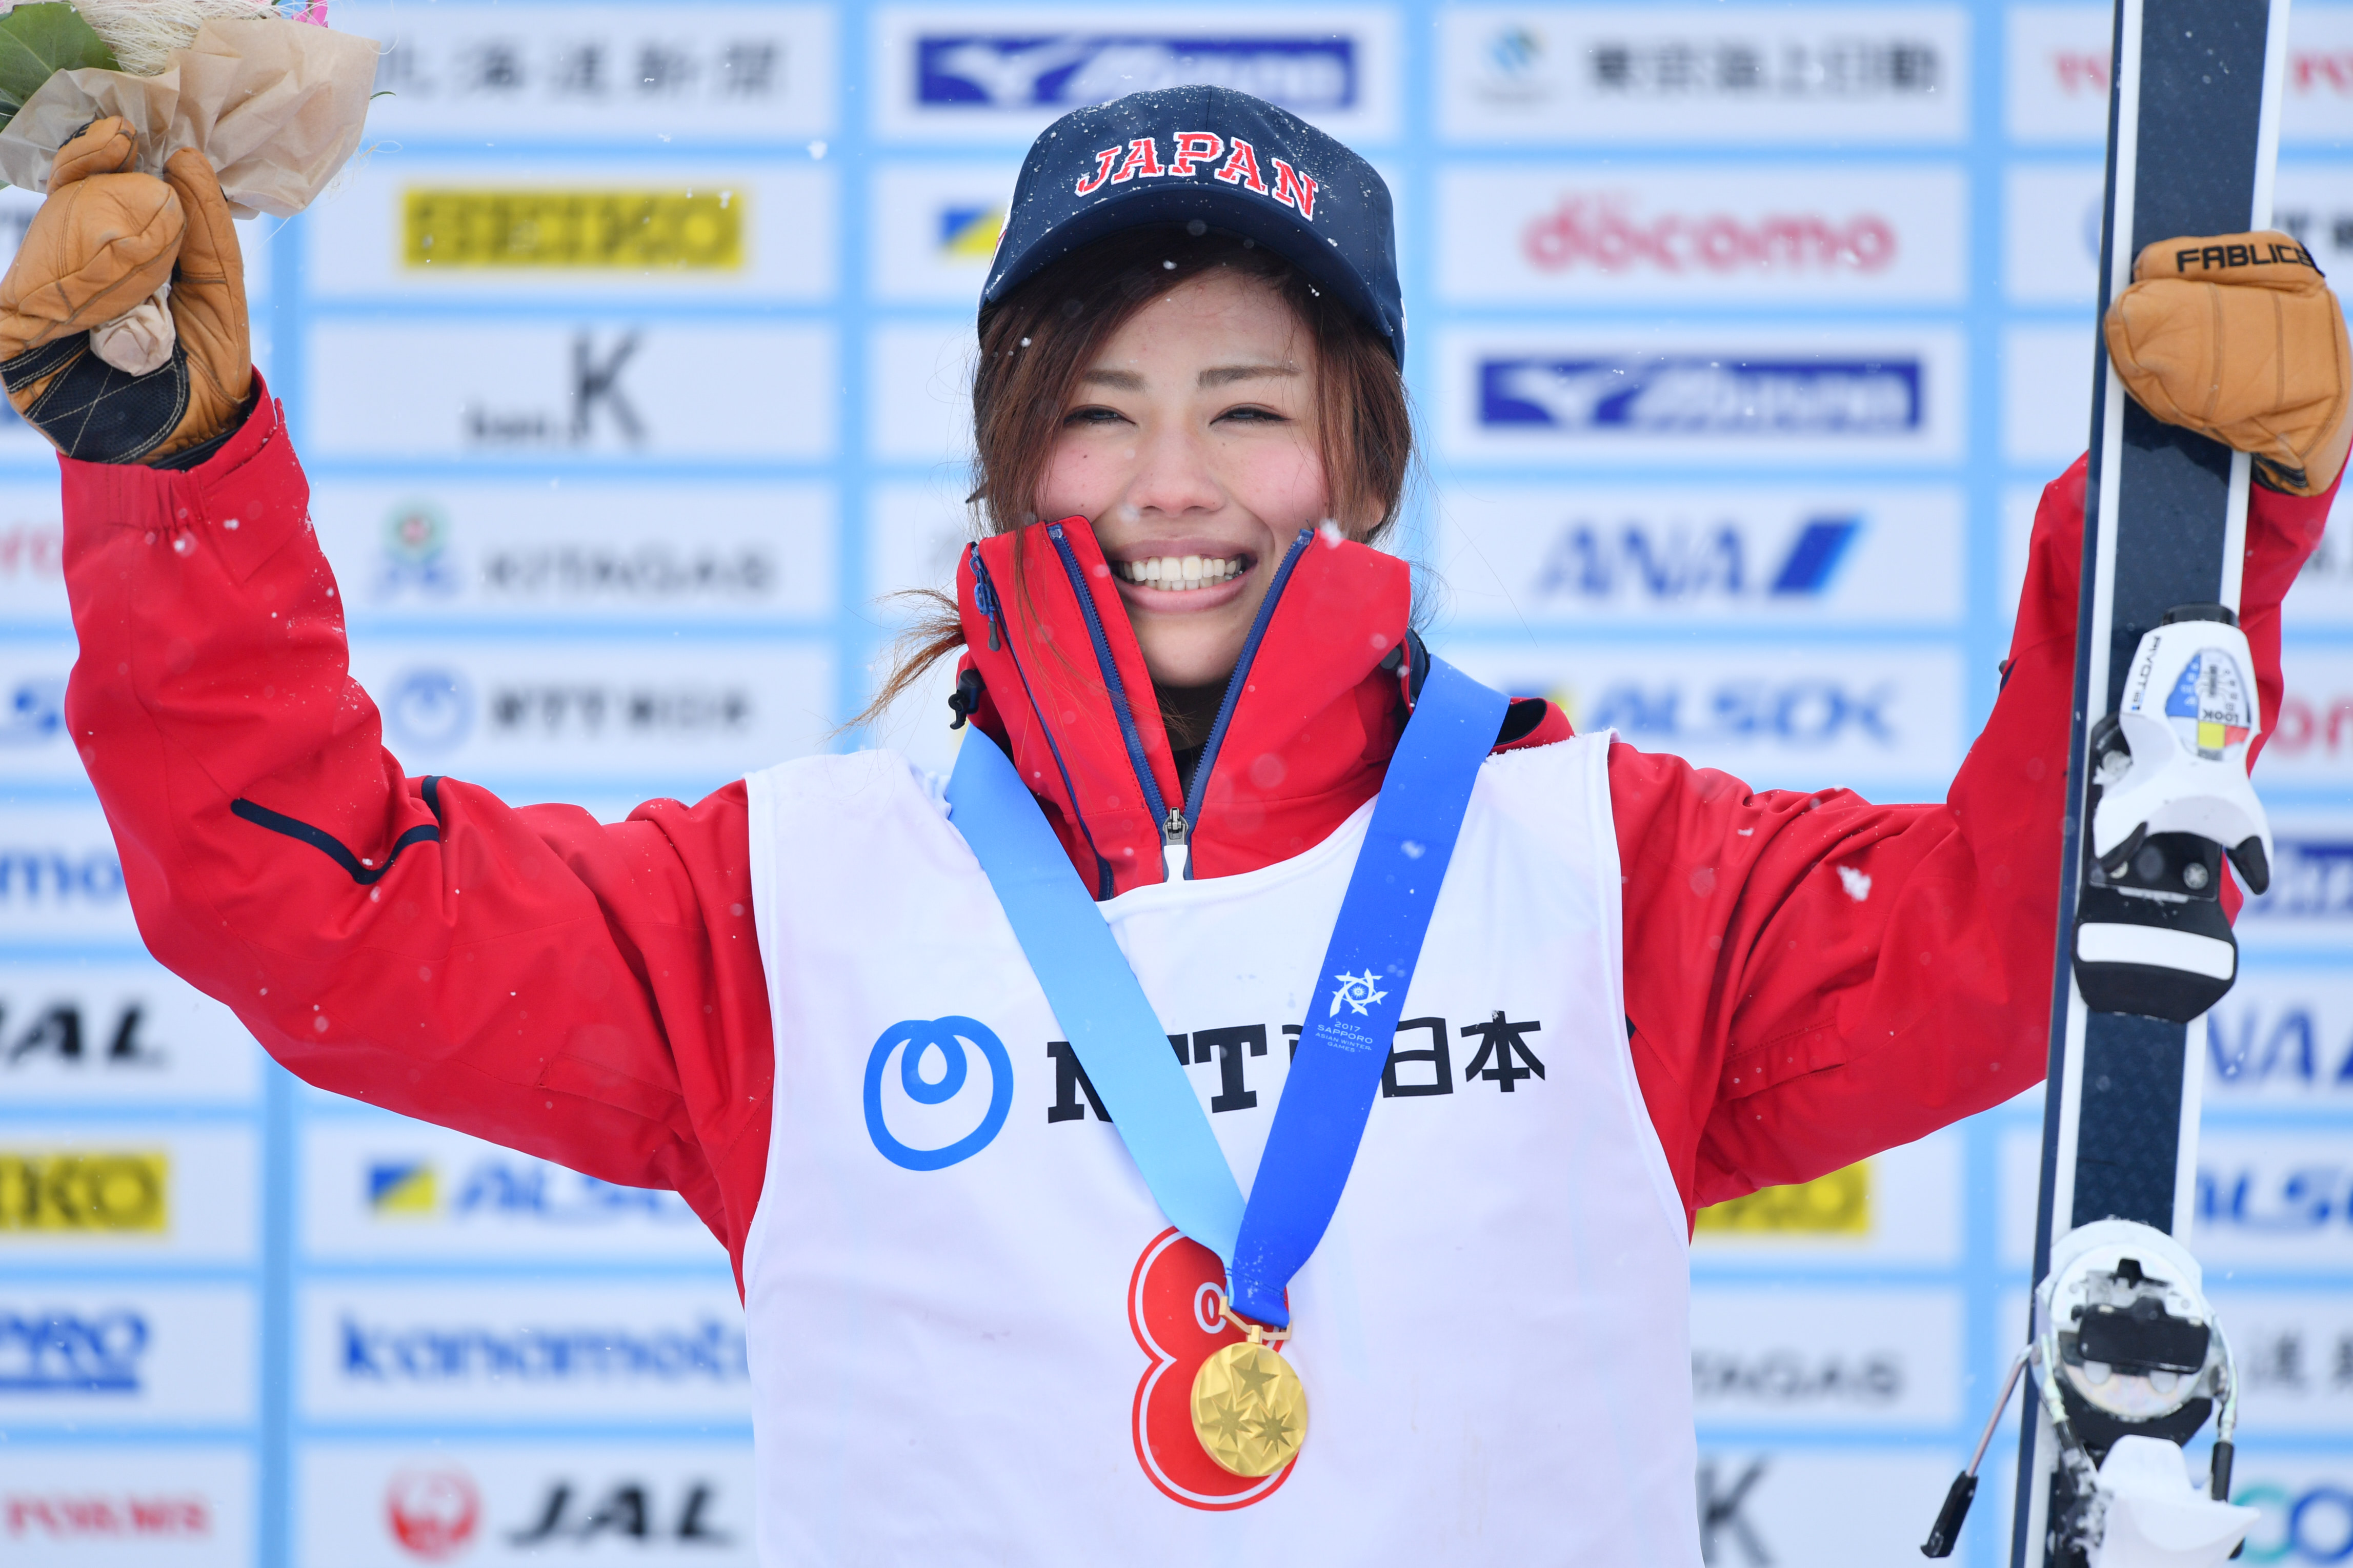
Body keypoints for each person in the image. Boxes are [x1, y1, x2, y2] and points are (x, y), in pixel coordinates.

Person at [13, 87, 2342, 1564]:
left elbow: (1985, 925)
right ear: (1014, 455)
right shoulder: (794, 900)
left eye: (1247, 407)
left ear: (1353, 457)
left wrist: (2179, 535)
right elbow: (328, 913)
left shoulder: (1597, 868)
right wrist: (169, 478)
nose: (1169, 489)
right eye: (1099, 410)